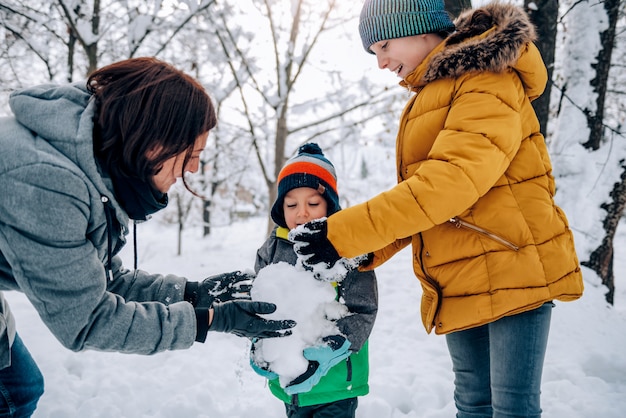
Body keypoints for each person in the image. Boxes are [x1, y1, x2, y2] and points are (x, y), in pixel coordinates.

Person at [289, 2, 584, 417]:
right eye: (374, 54)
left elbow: (451, 182)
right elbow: (422, 200)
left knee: (512, 407)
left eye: (385, 46)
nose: (381, 63)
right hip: (460, 274)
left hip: (513, 266)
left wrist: (341, 233)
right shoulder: (435, 92)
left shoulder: (486, 77)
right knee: (472, 404)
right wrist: (358, 249)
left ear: (422, 27)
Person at [0, 57, 295, 417]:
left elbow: (104, 280)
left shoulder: (88, 162)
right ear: (155, 143)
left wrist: (192, 293)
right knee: (13, 397)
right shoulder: (45, 180)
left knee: (19, 389)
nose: (194, 169)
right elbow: (87, 319)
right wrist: (210, 320)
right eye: (192, 154)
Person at [250, 143, 378, 418]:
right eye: (292, 204)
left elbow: (363, 308)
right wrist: (259, 343)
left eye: (313, 203)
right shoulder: (271, 249)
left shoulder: (346, 247)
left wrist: (331, 346)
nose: (302, 213)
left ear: (329, 206)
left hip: (335, 384)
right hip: (290, 383)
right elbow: (259, 301)